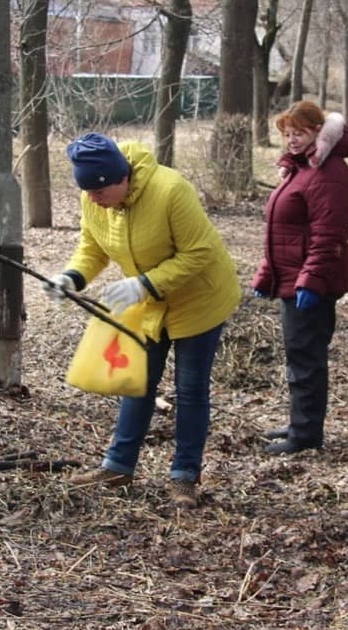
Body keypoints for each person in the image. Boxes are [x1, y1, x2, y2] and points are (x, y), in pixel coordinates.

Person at [45, 132, 240, 509]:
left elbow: (199, 251)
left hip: (200, 297)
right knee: (137, 381)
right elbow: (92, 247)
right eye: (86, 192)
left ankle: (184, 477)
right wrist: (71, 277)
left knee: (189, 388)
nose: (92, 200)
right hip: (149, 300)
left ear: (121, 179)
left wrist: (143, 284)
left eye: (99, 192)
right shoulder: (94, 199)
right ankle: (118, 467)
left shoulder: (170, 190)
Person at [250, 101, 348, 454]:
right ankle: (300, 423)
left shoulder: (328, 173)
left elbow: (327, 234)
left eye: (299, 133)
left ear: (319, 132)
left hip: (310, 284)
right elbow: (283, 230)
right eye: (286, 133)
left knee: (306, 360)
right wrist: (267, 274)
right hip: (291, 279)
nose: (291, 140)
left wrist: (311, 280)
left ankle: (305, 435)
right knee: (299, 358)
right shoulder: (301, 168)